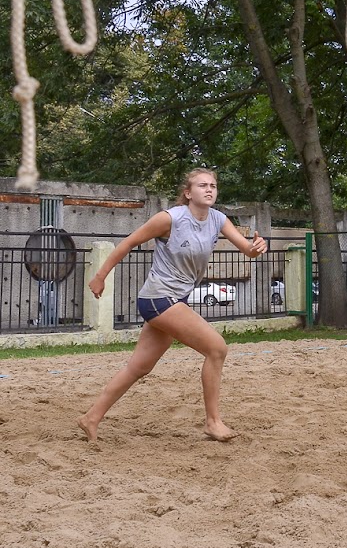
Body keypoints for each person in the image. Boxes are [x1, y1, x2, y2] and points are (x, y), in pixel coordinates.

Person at [78, 168, 268, 443]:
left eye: (213, 185)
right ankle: (213, 422)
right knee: (216, 348)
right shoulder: (170, 218)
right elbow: (129, 242)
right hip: (158, 298)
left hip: (173, 300)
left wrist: (256, 247)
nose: (209, 189)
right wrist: (100, 276)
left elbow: (247, 250)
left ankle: (90, 418)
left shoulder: (218, 219)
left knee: (139, 367)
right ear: (188, 193)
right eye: (202, 185)